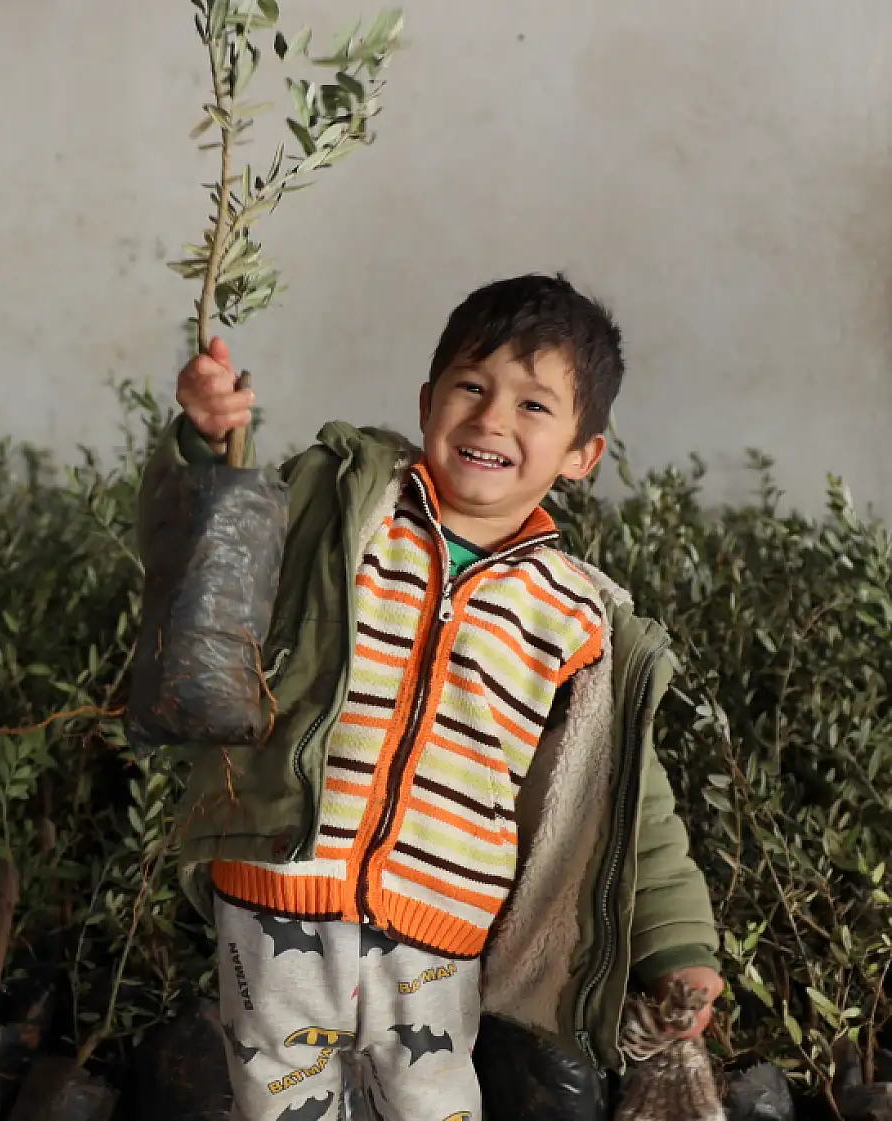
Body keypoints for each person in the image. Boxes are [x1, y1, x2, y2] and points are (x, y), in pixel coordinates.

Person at [149, 274, 721, 1121]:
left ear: (581, 455)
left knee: (430, 1101)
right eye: (472, 386)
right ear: (426, 401)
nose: (492, 418)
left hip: (438, 927)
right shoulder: (348, 511)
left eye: (534, 406)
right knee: (277, 1105)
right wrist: (208, 442)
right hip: (276, 891)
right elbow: (211, 558)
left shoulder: (576, 615)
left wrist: (680, 943)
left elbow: (630, 796)